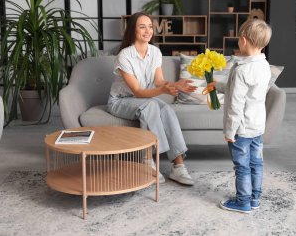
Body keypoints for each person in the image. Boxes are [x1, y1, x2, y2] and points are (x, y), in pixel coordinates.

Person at [107, 12, 196, 186]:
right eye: (142, 26)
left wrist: (175, 85)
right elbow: (138, 91)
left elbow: (159, 81)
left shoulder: (155, 52)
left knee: (167, 110)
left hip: (143, 100)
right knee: (150, 107)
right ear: (133, 30)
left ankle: (178, 167)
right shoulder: (124, 56)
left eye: (150, 26)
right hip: (120, 101)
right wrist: (162, 90)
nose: (147, 30)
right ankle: (148, 161)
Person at [218, 19, 272, 213]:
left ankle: (243, 202)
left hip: (241, 129)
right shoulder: (264, 66)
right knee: (256, 163)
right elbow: (248, 94)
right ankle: (255, 199)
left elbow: (235, 104)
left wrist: (230, 130)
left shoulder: (242, 69)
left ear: (242, 40)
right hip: (257, 126)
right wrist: (216, 86)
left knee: (241, 166)